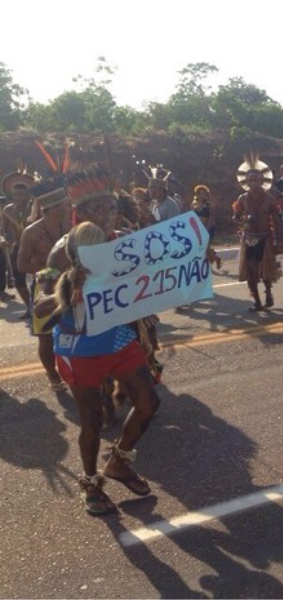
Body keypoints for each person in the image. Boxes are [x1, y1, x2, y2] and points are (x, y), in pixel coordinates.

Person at [35, 165, 162, 515]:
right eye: (98, 209)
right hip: (81, 347)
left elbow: (149, 270)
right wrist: (65, 292)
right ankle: (91, 483)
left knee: (149, 402)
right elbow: (42, 301)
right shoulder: (64, 250)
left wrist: (191, 258)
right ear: (79, 213)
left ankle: (119, 461)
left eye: (111, 207)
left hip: (119, 337)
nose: (108, 215)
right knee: (91, 421)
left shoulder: (122, 239)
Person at [16, 187, 71, 391]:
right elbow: (21, 265)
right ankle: (52, 375)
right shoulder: (31, 232)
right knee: (46, 335)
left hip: (71, 283)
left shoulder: (72, 225)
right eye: (62, 204)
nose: (67, 207)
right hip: (44, 286)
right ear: (49, 208)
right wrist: (50, 269)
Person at [232, 155, 283, 312]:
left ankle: (268, 292)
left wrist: (280, 242)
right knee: (250, 271)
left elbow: (277, 221)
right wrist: (242, 220)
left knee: (266, 271)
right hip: (248, 238)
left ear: (262, 181)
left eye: (256, 180)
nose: (254, 183)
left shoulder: (269, 199)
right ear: (246, 182)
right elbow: (235, 217)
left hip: (265, 238)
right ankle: (257, 301)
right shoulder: (242, 199)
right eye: (251, 180)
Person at [1, 171, 37, 317]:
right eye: (15, 195)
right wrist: (3, 239)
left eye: (21, 195)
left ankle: (39, 305)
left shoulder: (34, 209)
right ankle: (30, 308)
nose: (18, 198)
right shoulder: (7, 210)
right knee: (18, 280)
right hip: (17, 247)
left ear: (28, 195)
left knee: (40, 278)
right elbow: (3, 229)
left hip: (36, 248)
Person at [191, 185, 222, 270]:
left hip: (208, 228)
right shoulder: (194, 204)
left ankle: (208, 264)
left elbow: (212, 219)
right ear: (197, 194)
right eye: (200, 193)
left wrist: (206, 230)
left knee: (205, 247)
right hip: (197, 230)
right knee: (201, 248)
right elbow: (191, 218)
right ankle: (216, 258)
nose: (202, 195)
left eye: (203, 194)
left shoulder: (209, 205)